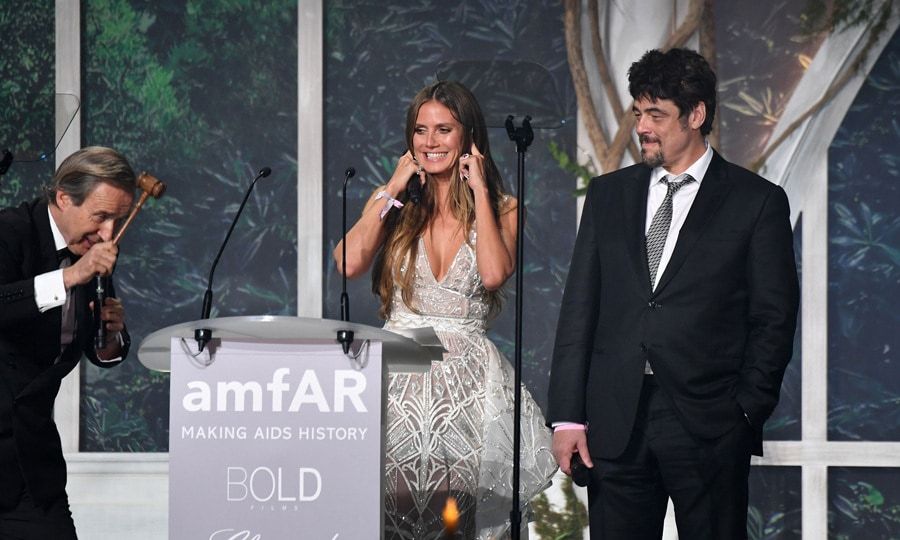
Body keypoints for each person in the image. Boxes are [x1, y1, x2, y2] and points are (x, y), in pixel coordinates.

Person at [547, 48, 799, 539]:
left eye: (657, 115)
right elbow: (580, 308)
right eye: (639, 112)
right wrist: (567, 417)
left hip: (710, 422)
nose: (643, 126)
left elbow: (774, 317)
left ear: (697, 115)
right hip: (615, 423)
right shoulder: (608, 194)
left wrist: (745, 411)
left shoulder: (757, 202)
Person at [335, 81, 556, 538]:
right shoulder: (394, 204)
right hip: (396, 384)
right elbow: (347, 261)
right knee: (391, 515)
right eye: (420, 130)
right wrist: (393, 186)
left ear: (467, 136)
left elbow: (495, 274)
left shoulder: (502, 207)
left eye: (443, 130)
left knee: (455, 521)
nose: (430, 142)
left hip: (465, 388)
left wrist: (478, 190)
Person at [0, 146, 135, 538]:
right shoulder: (10, 231)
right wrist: (69, 277)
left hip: (30, 461)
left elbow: (90, 344)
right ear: (63, 198)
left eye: (118, 219)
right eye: (101, 216)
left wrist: (111, 338)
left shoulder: (92, 248)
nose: (109, 232)